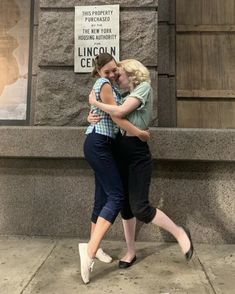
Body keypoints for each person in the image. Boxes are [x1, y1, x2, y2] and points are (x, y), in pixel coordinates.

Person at [88, 59, 194, 269]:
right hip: (119, 149)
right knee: (125, 207)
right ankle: (130, 251)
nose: (116, 79)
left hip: (137, 153)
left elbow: (117, 113)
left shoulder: (144, 89)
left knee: (140, 207)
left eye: (119, 75)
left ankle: (180, 232)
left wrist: (95, 101)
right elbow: (110, 116)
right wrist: (91, 115)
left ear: (132, 73)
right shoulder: (123, 95)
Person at [79, 53, 149, 284]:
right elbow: (117, 117)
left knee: (101, 198)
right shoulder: (105, 84)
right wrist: (139, 133)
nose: (111, 74)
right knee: (117, 196)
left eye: (113, 70)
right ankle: (89, 251)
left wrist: (93, 111)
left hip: (103, 144)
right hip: (98, 143)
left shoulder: (114, 88)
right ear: (99, 71)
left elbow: (107, 113)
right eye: (106, 71)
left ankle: (94, 247)